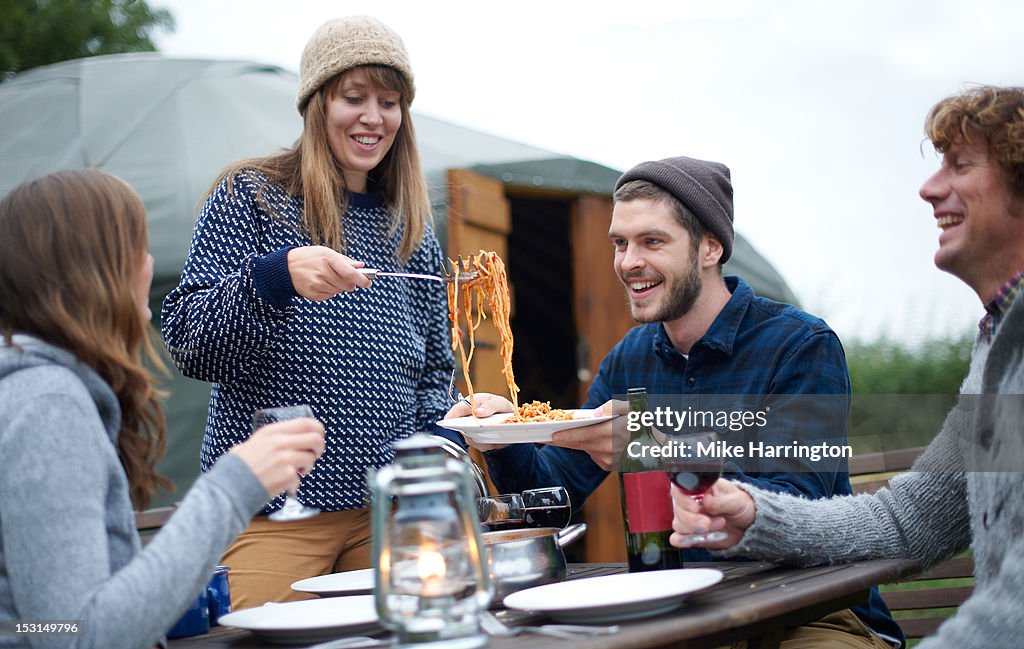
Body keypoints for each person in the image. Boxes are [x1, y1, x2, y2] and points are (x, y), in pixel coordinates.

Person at [450, 155, 902, 647]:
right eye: (620, 243)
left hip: (810, 612)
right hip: (678, 613)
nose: (628, 262)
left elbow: (800, 504)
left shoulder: (799, 345)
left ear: (710, 247)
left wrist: (654, 445)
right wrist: (503, 438)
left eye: (652, 241)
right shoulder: (630, 360)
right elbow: (555, 495)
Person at [670, 85, 1024, 649]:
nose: (929, 189)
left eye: (959, 166)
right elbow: (909, 521)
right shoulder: (998, 345)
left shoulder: (797, 341)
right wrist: (756, 516)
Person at [160, 15, 454, 609]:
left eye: (389, 102)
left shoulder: (410, 228)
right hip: (276, 512)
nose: (374, 117)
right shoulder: (252, 198)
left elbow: (434, 373)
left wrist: (433, 452)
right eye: (354, 97)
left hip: (387, 515)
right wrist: (275, 279)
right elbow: (188, 343)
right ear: (317, 104)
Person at [0, 169, 325, 649]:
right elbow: (76, 635)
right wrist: (234, 484)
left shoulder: (39, 390)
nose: (150, 264)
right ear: (97, 267)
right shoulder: (48, 406)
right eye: (139, 247)